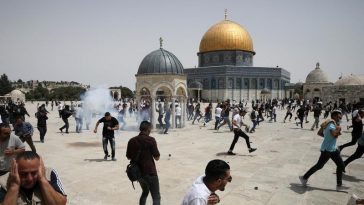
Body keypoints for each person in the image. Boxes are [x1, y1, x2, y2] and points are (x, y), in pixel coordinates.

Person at [299, 110, 345, 189]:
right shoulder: (331, 124)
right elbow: (334, 134)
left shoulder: (329, 123)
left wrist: (328, 138)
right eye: (338, 116)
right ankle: (339, 185)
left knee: (320, 165)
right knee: (340, 166)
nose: (340, 118)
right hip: (330, 150)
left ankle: (304, 177)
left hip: (328, 148)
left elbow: (320, 133)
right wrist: (339, 128)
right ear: (334, 116)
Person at [0, 151, 67, 205]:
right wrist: (14, 186)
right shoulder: (3, 181)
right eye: (23, 174)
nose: (30, 179)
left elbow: (61, 203)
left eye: (34, 173)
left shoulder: (50, 173)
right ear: (15, 169)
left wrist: (43, 179)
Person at [126, 121, 161, 205]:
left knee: (145, 192)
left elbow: (128, 157)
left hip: (138, 173)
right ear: (148, 129)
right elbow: (157, 157)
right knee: (156, 197)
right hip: (150, 172)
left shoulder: (131, 140)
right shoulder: (151, 140)